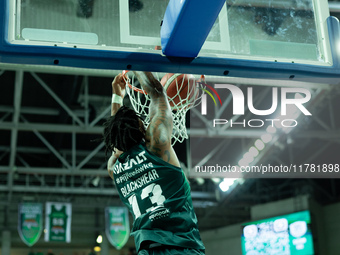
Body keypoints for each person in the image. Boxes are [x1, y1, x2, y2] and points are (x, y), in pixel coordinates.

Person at [104, 71, 205, 254]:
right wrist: (137, 63)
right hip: (181, 247)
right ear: (143, 128)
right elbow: (157, 91)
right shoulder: (157, 145)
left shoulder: (115, 168)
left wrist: (117, 97)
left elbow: (116, 143)